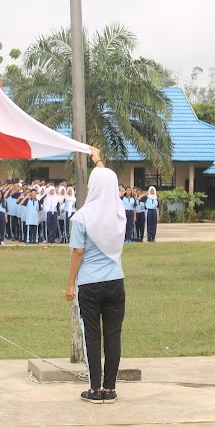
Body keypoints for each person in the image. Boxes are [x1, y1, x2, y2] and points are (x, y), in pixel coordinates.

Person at [65, 147, 126, 404]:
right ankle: (110, 388)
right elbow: (106, 179)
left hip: (89, 284)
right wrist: (98, 159)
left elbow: (78, 252)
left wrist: (70, 284)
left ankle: (95, 388)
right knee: (113, 334)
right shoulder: (119, 213)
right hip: (115, 281)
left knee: (92, 334)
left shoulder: (82, 217)